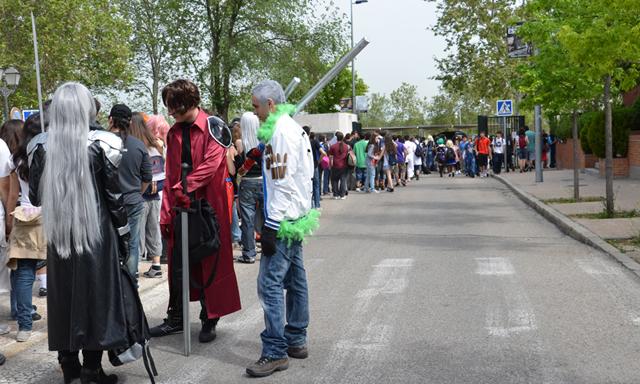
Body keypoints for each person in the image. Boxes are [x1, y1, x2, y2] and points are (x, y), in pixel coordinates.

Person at [32, 82, 130, 384]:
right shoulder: (105, 143)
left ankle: (70, 366)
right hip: (97, 236)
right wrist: (124, 236)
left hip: (61, 234)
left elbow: (37, 197)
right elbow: (115, 198)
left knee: (63, 298)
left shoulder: (41, 146)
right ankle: (90, 369)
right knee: (96, 299)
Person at [150, 79, 241, 342]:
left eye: (173, 106)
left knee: (209, 261)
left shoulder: (215, 127)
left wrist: (184, 186)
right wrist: (166, 209)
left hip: (209, 206)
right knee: (177, 265)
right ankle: (176, 317)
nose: (170, 112)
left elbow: (212, 164)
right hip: (180, 206)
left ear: (187, 103)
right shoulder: (174, 132)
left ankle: (209, 318)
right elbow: (170, 172)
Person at [247, 80, 316, 377]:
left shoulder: (282, 132)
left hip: (284, 218)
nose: (256, 112)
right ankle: (296, 338)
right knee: (295, 277)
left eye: (256, 106)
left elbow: (283, 184)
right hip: (295, 214)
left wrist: (271, 227)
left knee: (270, 284)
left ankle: (275, 350)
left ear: (270, 104)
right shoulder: (288, 129)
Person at [7, 114, 47, 343]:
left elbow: (14, 194)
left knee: (23, 274)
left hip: (25, 218)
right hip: (50, 217)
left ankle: (24, 325)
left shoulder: (17, 158)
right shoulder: (50, 153)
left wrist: (9, 223)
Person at [108, 105, 152, 281]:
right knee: (132, 242)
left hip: (110, 202)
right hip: (133, 200)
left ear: (111, 119)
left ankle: (113, 280)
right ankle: (131, 280)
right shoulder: (139, 145)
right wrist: (138, 192)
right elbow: (147, 176)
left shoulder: (104, 143)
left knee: (111, 242)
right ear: (130, 121)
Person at [129, 113, 166, 279]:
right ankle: (156, 264)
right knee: (153, 229)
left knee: (137, 233)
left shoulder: (134, 146)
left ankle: (134, 266)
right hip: (156, 193)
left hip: (140, 194)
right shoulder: (157, 144)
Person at [237, 111, 263, 264]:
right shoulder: (264, 142)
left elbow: (239, 168)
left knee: (247, 220)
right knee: (266, 217)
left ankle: (249, 253)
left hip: (247, 182)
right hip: (263, 182)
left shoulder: (241, 143)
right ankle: (268, 250)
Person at [329, 131, 350, 200]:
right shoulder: (346, 146)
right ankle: (342, 195)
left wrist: (330, 165)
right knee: (343, 180)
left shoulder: (332, 147)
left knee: (334, 180)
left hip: (335, 165)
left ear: (336, 138)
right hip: (344, 165)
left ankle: (336, 194)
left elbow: (331, 157)